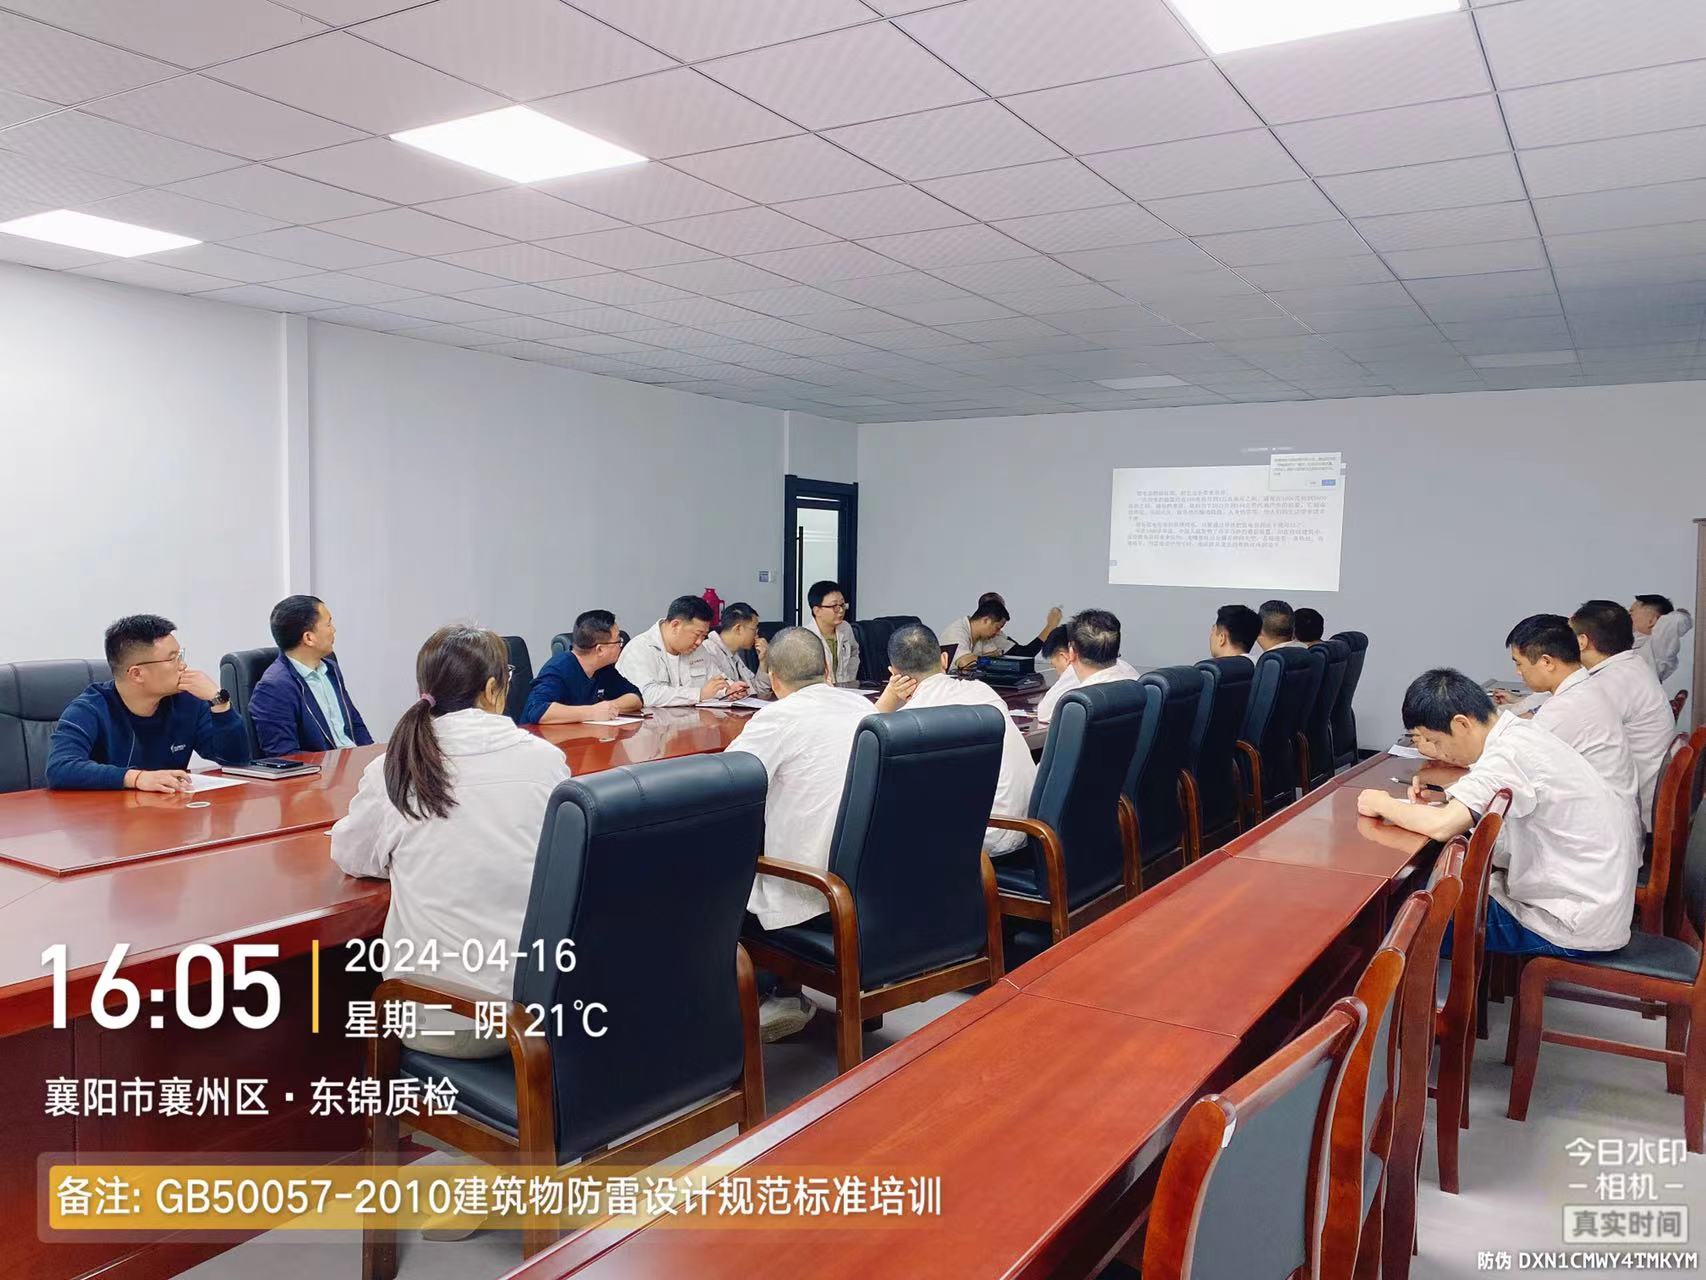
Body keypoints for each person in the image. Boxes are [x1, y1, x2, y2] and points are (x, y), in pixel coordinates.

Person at [331, 625, 570, 1058]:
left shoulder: (395, 766)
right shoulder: (546, 761)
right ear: (494, 689)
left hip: (442, 1016)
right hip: (541, 1010)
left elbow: (353, 855)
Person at [1356, 669, 1638, 956]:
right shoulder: (1520, 734)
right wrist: (1451, 794)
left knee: (1396, 927)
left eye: (1436, 741)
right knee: (1420, 895)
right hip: (1591, 901)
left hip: (1568, 922)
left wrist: (1381, 802)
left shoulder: (1507, 754)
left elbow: (1443, 825)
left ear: (1461, 724)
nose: (1438, 752)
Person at [727, 627, 875, 1039]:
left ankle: (772, 995)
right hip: (872, 882)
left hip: (818, 890)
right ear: (827, 669)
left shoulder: (778, 717)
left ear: (773, 679)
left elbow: (728, 781)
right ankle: (788, 993)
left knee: (727, 871)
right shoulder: (865, 708)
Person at [873, 623, 1036, 854]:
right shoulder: (982, 691)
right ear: (944, 659)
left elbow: (863, 749)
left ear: (894, 673)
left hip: (980, 840)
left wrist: (888, 700)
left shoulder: (909, 723)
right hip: (1026, 827)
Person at [46, 614, 251, 790]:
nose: (183, 665)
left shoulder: (187, 701)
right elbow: (60, 768)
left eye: (180, 655)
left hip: (168, 813)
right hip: (108, 818)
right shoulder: (90, 709)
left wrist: (219, 702)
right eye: (172, 659)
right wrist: (137, 778)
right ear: (136, 674)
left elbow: (235, 760)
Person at [1503, 614, 1639, 815]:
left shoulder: (1566, 707)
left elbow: (1511, 761)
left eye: (1519, 663)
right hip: (1609, 811)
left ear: (1547, 662)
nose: (1518, 672)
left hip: (1597, 822)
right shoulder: (1585, 689)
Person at [1570, 600, 1675, 830]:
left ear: (1582, 641)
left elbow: (1563, 736)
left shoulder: (1611, 682)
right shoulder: (1630, 666)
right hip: (1644, 795)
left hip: (1632, 814)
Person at [249, 594, 373, 755]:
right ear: (308, 638)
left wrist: (373, 758)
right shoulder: (273, 687)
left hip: (352, 761)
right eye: (328, 624)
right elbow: (285, 755)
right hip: (323, 769)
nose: (334, 630)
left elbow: (355, 724)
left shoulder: (330, 668)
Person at [522, 610, 643, 724]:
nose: (621, 646)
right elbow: (537, 711)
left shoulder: (603, 668)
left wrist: (609, 707)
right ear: (600, 649)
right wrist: (592, 712)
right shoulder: (558, 669)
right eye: (618, 641)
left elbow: (635, 697)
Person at [616, 595, 733, 706]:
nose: (699, 642)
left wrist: (729, 689)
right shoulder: (640, 649)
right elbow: (645, 695)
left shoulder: (698, 649)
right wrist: (699, 694)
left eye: (704, 636)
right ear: (675, 625)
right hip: (651, 720)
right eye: (697, 634)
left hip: (690, 718)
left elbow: (716, 679)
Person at [1036, 622, 1139, 723]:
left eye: (1054, 666)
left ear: (1067, 655)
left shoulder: (1076, 675)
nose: (1057, 672)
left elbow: (1044, 713)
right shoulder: (1126, 668)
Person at [939, 593, 1063, 668]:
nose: (998, 632)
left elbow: (1023, 654)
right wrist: (991, 660)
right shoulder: (957, 632)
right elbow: (965, 663)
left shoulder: (987, 636)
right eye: (997, 627)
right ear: (986, 619)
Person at [701, 602, 771, 696]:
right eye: (754, 629)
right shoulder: (708, 651)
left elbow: (757, 691)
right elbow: (725, 692)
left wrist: (763, 661)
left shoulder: (734, 655)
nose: (757, 635)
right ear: (738, 629)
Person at [805, 579, 861, 684]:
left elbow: (854, 653)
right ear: (817, 611)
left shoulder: (845, 628)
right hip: (819, 690)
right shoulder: (805, 637)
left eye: (842, 605)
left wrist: (849, 678)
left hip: (844, 687)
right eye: (834, 606)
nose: (841, 610)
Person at [1631, 594, 1694, 683]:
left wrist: (1683, 614)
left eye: (1631, 613)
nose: (1627, 616)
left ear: (1651, 621)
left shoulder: (1657, 646)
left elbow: (1676, 620)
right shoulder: (1632, 641)